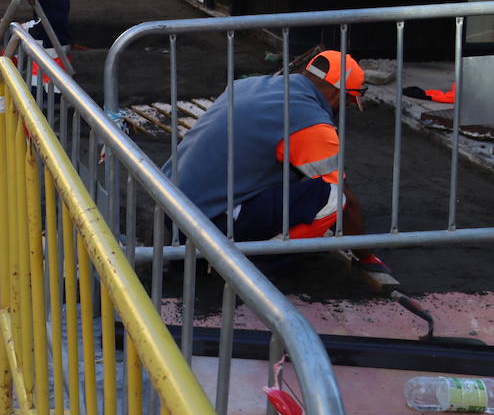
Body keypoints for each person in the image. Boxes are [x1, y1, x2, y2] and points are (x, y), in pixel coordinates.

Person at [160, 50, 389, 274]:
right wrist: (365, 256)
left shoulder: (250, 86)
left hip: (172, 206)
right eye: (348, 102)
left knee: (290, 176)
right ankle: (247, 263)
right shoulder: (311, 122)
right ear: (337, 95)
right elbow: (346, 201)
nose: (344, 108)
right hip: (205, 229)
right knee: (333, 196)